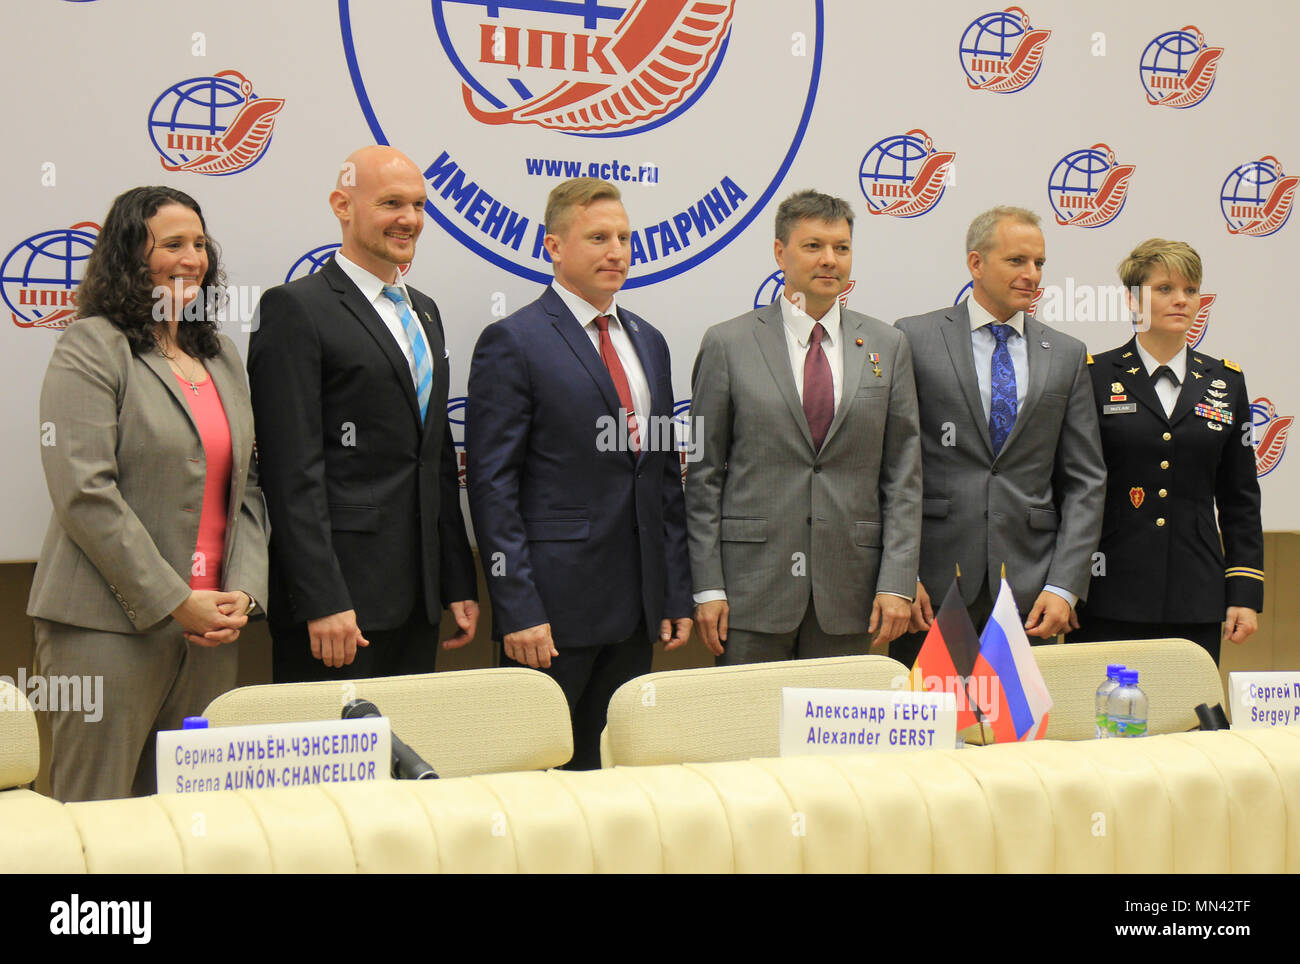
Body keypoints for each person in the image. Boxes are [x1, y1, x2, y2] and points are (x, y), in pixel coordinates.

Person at [27, 185, 267, 802]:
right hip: (107, 631)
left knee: (189, 820)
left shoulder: (223, 358)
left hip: (211, 634)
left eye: (200, 244)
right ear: (131, 257)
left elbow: (248, 489)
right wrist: (171, 600)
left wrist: (241, 591)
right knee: (96, 816)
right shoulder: (91, 345)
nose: (192, 259)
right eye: (172, 245)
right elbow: (85, 492)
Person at [466, 177, 693, 770]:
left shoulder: (652, 342)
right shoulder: (512, 341)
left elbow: (664, 478)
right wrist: (517, 607)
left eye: (623, 236)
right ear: (554, 246)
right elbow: (493, 487)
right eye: (597, 237)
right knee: (534, 777)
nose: (616, 250)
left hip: (636, 609)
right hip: (552, 612)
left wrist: (672, 590)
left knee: (609, 774)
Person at [248, 146, 477, 682]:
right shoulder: (295, 309)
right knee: (329, 765)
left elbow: (435, 458)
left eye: (419, 205)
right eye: (391, 203)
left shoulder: (425, 310)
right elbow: (290, 471)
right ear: (342, 205)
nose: (409, 219)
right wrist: (321, 598)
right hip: (338, 608)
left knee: (405, 762)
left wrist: (456, 581)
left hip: (418, 601)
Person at [685, 189, 921, 662]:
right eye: (813, 246)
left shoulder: (887, 345)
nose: (829, 260)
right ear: (780, 252)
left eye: (841, 247)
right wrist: (708, 586)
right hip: (751, 592)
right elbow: (703, 475)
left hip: (852, 594)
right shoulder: (728, 344)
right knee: (749, 733)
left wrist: (897, 582)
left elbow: (903, 477)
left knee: (840, 735)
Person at [892, 206, 1105, 666]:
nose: (1032, 274)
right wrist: (898, 576)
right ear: (976, 263)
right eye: (1017, 261)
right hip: (931, 590)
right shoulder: (913, 338)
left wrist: (1064, 585)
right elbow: (891, 467)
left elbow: (1086, 480)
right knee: (933, 733)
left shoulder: (1067, 355)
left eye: (1039, 263)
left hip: (1031, 595)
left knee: (1021, 737)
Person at [1069, 239, 1262, 663]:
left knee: (1188, 723)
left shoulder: (1225, 382)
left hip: (1196, 593)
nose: (1182, 301)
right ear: (1134, 300)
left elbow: (1240, 498)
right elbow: (1069, 487)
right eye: (1165, 289)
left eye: (1191, 290)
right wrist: (1065, 586)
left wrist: (1244, 592)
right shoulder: (1094, 376)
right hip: (1107, 590)